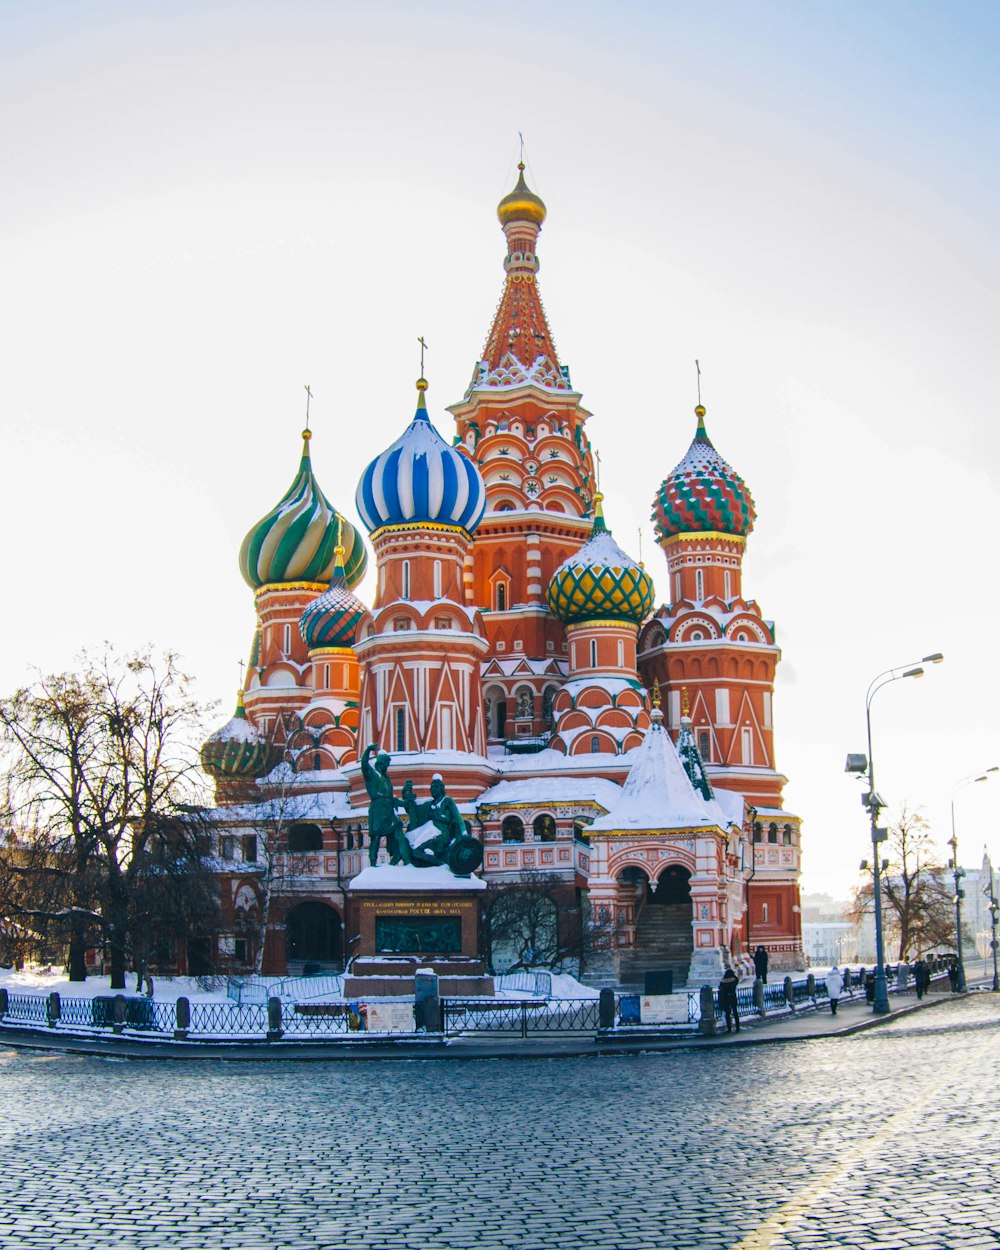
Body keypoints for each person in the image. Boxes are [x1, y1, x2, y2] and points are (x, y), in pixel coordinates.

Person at [361, 743, 411, 867]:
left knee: (398, 833)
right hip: (378, 810)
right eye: (387, 764)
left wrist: (406, 802)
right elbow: (364, 765)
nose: (388, 766)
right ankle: (372, 864)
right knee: (376, 837)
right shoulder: (372, 774)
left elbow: (391, 797)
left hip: (389, 810)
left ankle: (397, 862)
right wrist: (368, 750)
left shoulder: (386, 778)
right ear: (381, 763)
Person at [719, 967, 740, 1033]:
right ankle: (737, 1027)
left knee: (727, 1013)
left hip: (726, 998)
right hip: (733, 996)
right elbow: (736, 981)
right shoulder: (734, 980)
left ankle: (729, 1028)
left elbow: (720, 988)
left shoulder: (723, 981)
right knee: (735, 1012)